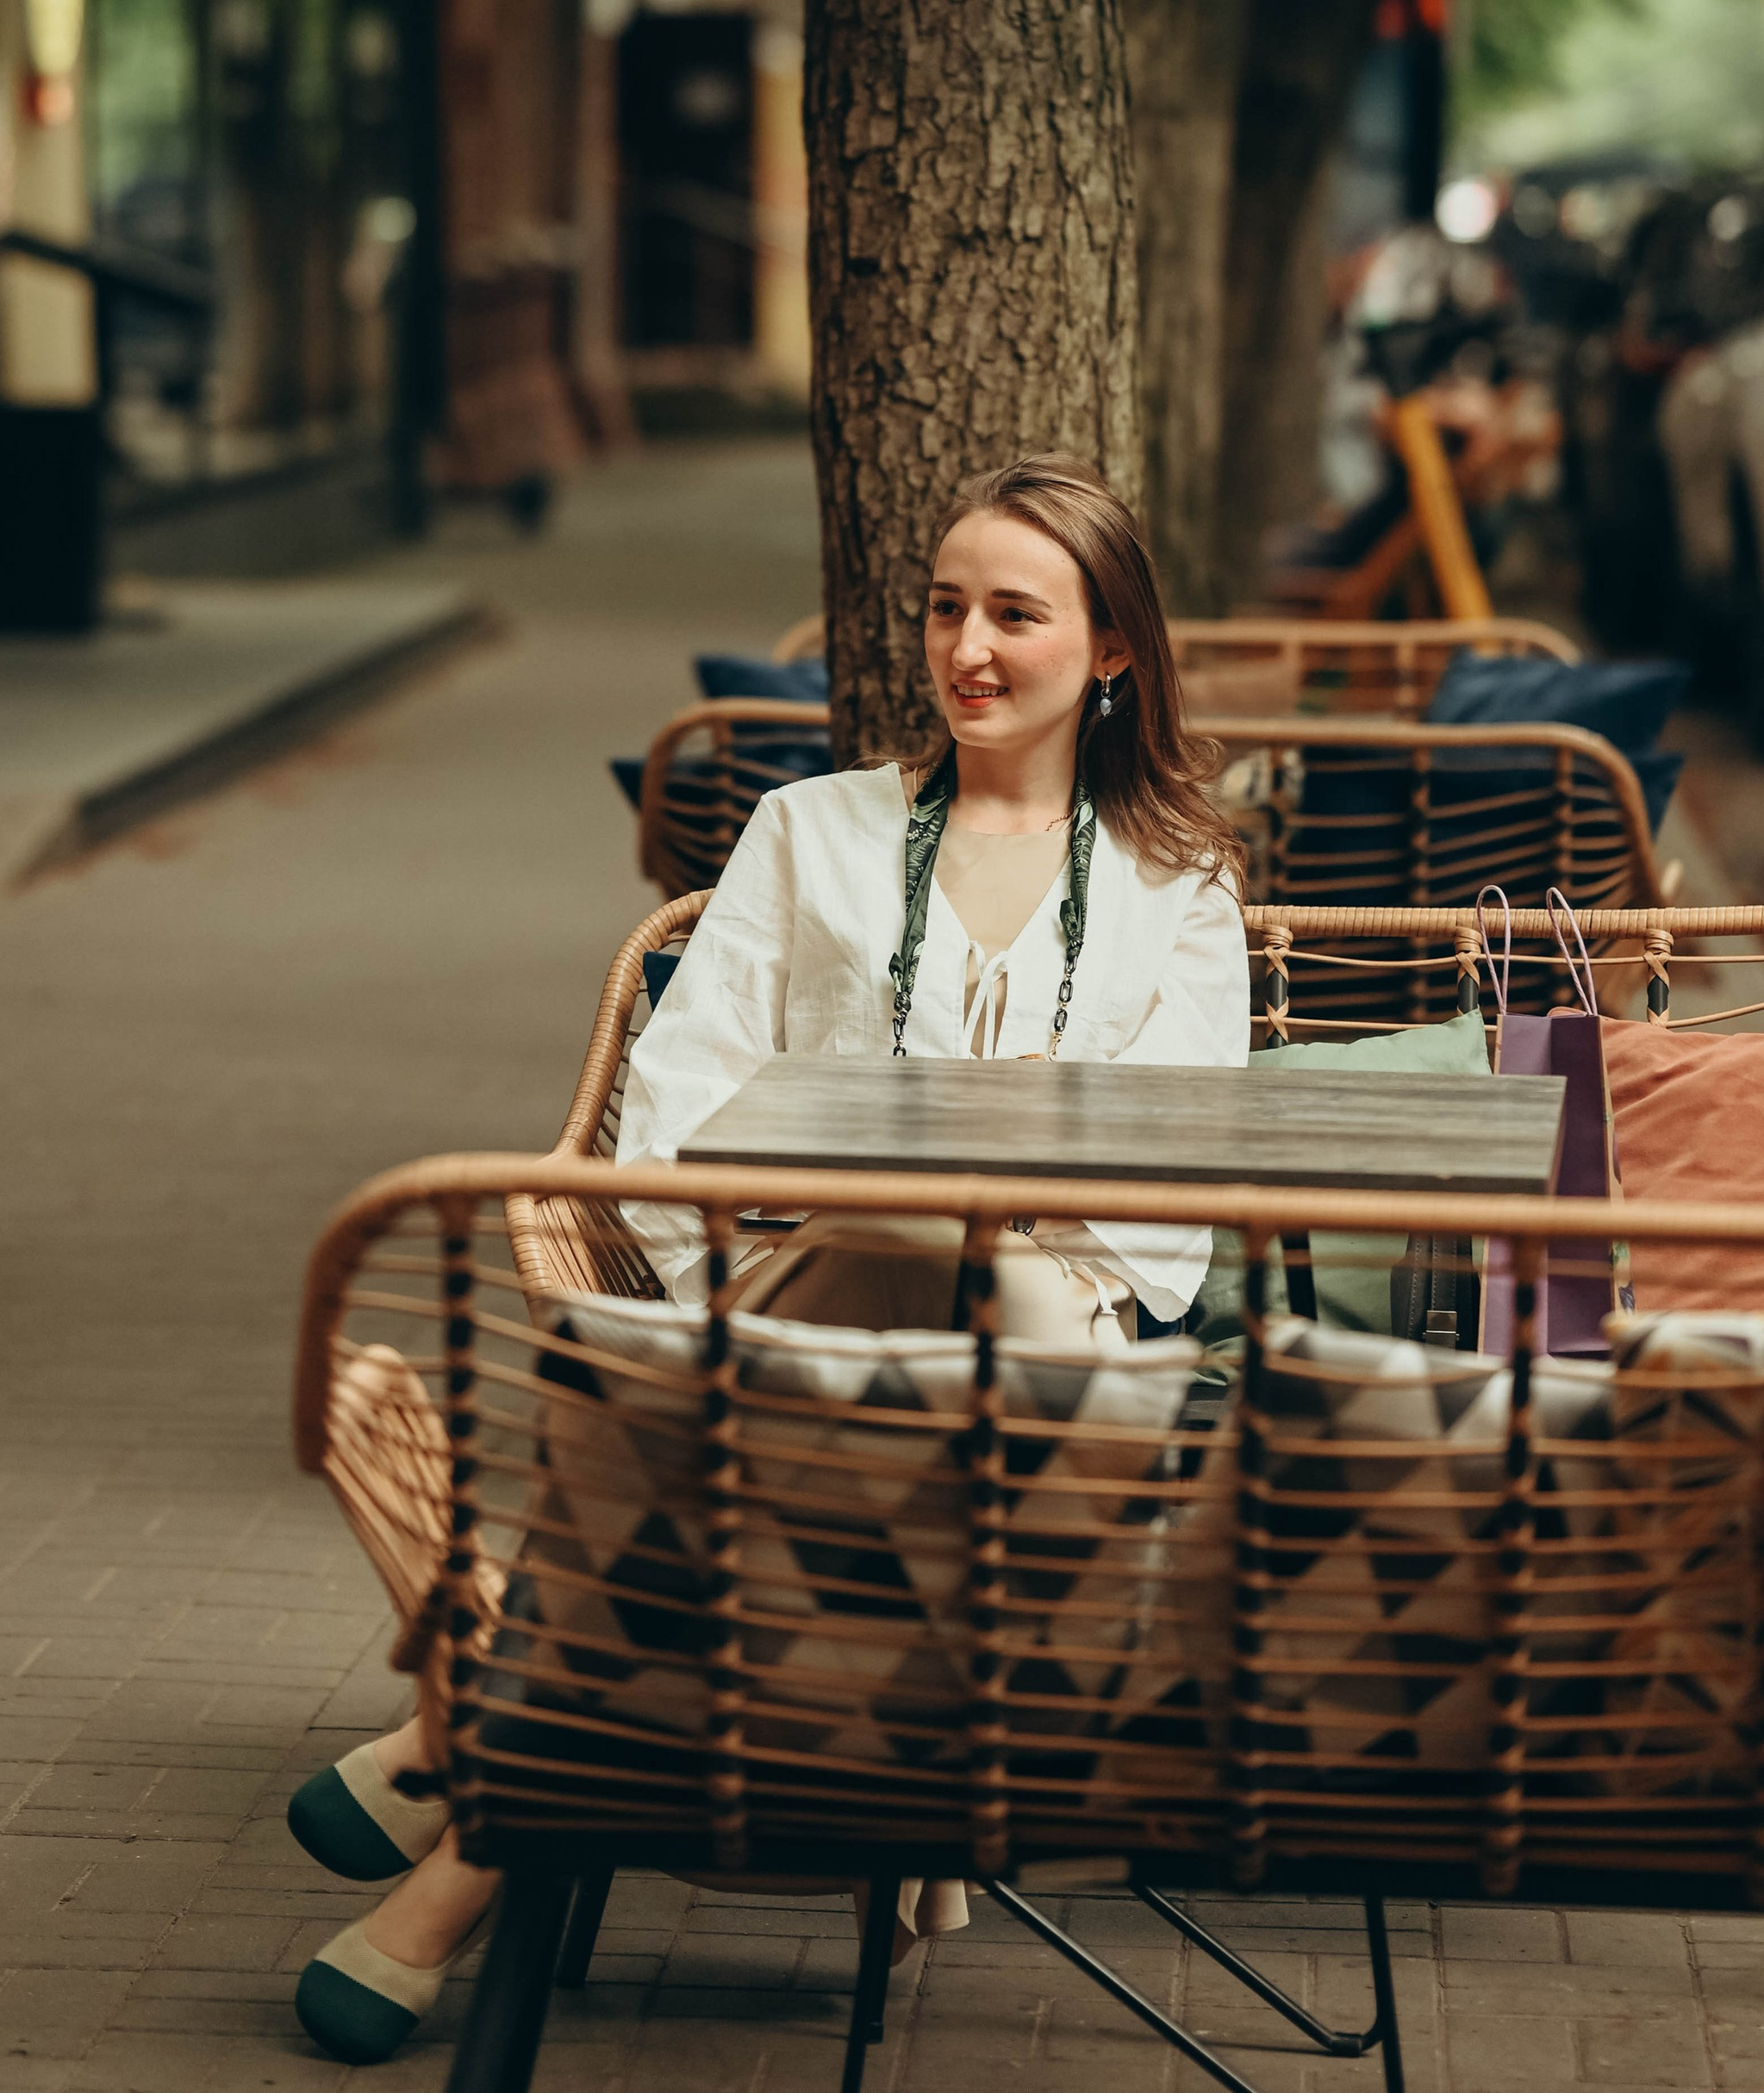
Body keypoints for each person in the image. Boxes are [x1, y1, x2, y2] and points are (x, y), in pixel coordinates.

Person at [285, 455, 1249, 2065]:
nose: (969, 648)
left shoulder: (1178, 880)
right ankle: (480, 1816)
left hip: (1049, 1356)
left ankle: (478, 1762)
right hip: (793, 1304)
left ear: (1115, 653)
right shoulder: (814, 831)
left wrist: (957, 1199)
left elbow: (1181, 1175)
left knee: (925, 1249)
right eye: (946, 607)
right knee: (871, 1246)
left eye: (1016, 613)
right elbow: (672, 1113)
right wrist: (875, 1194)